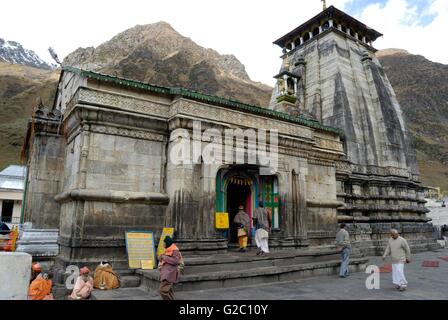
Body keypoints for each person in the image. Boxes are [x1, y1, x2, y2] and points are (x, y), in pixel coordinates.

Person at [158, 236, 182, 300]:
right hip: (166, 273)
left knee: (163, 290)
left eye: (164, 243)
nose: (163, 244)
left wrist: (164, 257)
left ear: (167, 243)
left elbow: (176, 261)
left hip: (169, 274)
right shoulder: (168, 249)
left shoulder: (175, 250)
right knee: (169, 291)